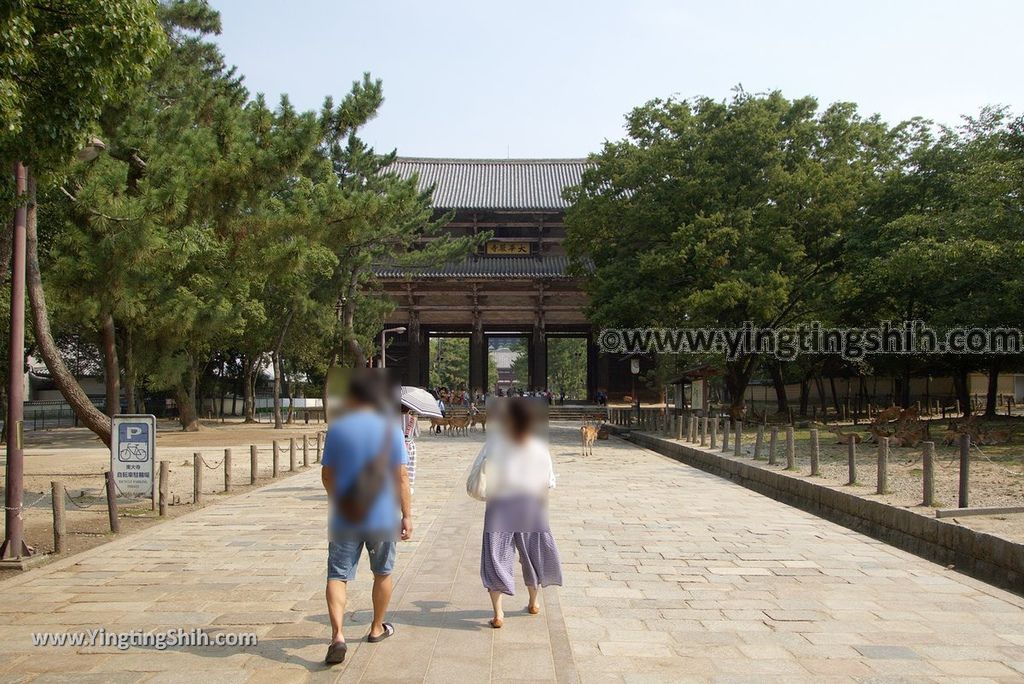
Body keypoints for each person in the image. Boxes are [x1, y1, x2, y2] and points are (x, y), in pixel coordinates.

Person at [320, 370, 413, 665]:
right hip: (382, 511)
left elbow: (327, 474)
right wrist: (407, 515)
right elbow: (400, 477)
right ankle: (376, 627)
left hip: (346, 512)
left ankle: (337, 635)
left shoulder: (338, 428)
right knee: (382, 572)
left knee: (337, 574)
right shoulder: (391, 429)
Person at [472, 398, 562, 628]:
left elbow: (480, 471)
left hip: (500, 505)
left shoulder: (494, 444)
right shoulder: (538, 446)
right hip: (530, 505)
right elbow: (548, 481)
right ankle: (533, 602)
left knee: (496, 556)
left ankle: (499, 613)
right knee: (531, 555)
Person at [401, 404, 419, 493]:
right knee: (410, 467)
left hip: (398, 445)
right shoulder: (413, 419)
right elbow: (417, 434)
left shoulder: (392, 419)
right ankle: (409, 487)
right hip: (410, 445)